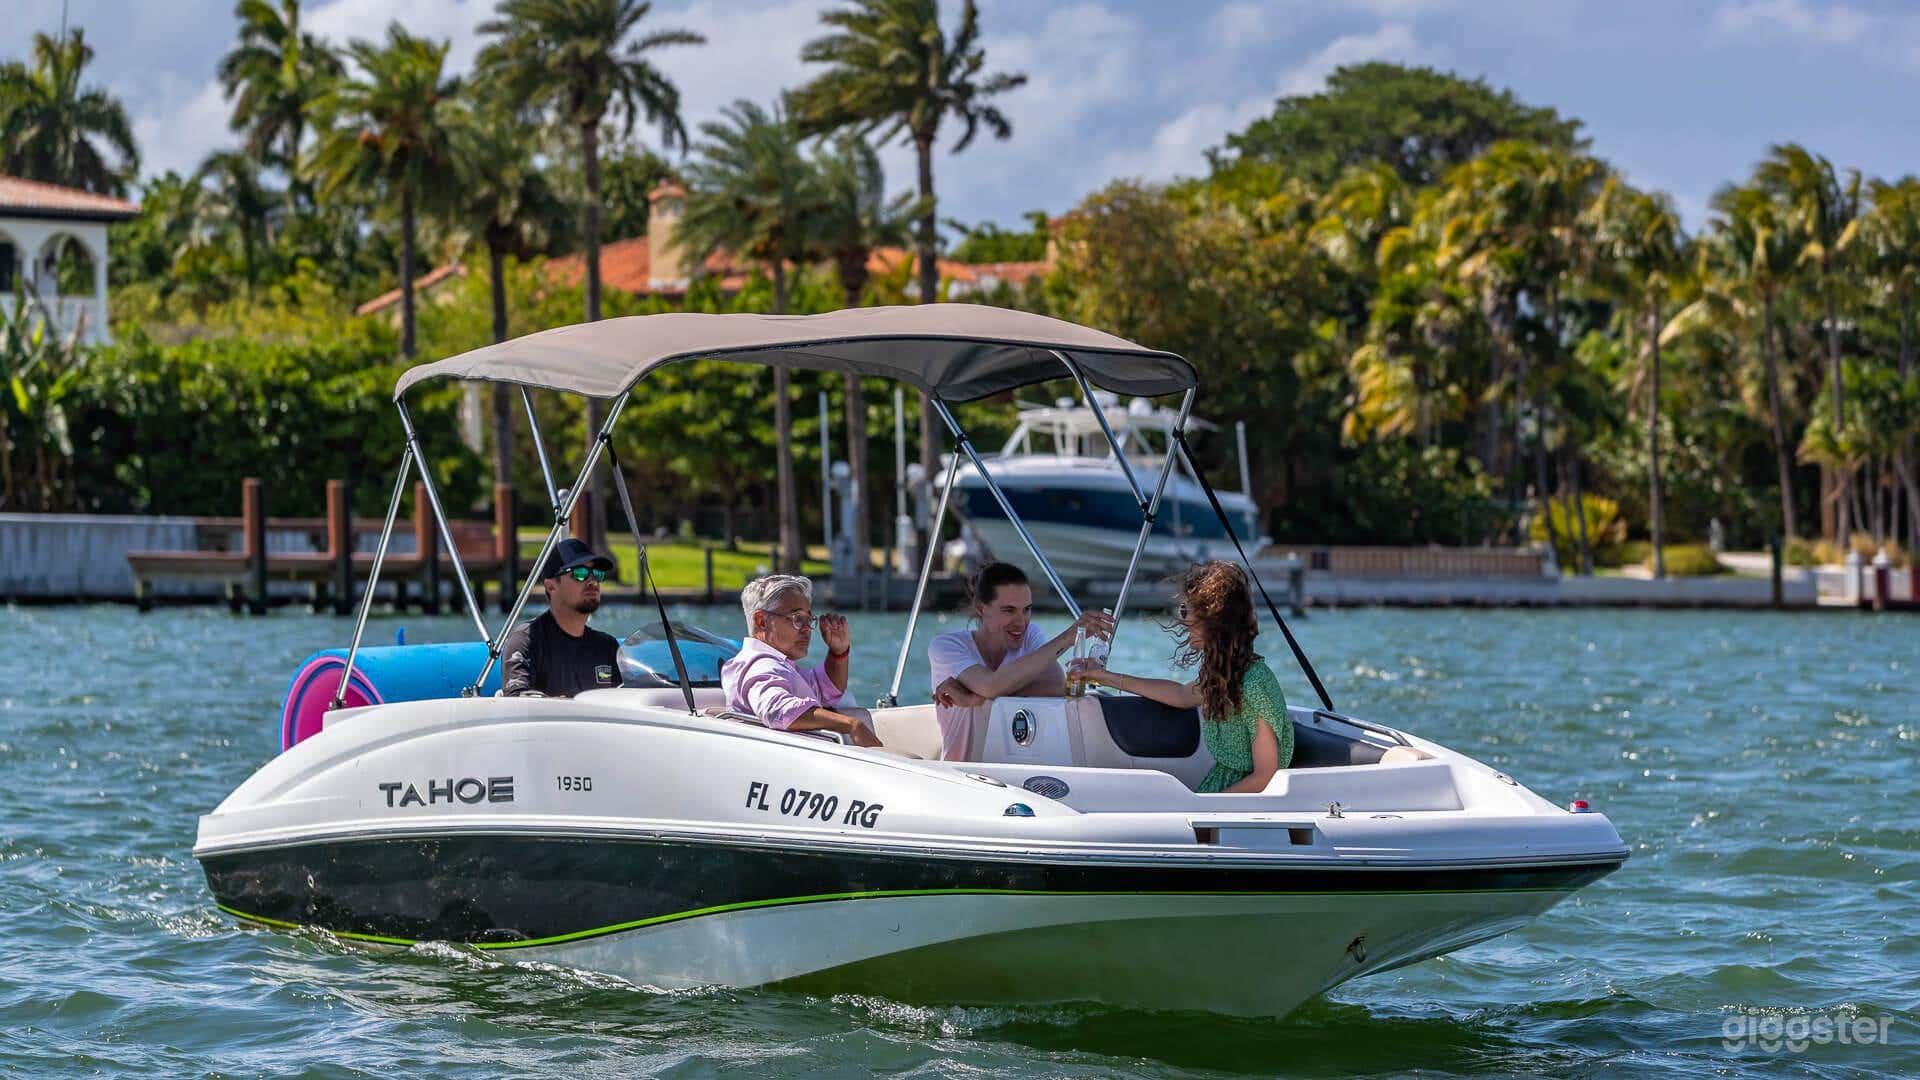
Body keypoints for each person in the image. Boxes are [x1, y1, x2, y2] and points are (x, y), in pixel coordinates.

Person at [1068, 560, 1293, 792]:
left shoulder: (1254, 684)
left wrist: (1202, 806)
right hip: (1222, 790)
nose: (1184, 621)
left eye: (1187, 611)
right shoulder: (1227, 673)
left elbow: (1266, 776)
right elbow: (1181, 695)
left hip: (1238, 802)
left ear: (1216, 621)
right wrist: (1102, 676)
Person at [928, 562, 1114, 761]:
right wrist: (1069, 636)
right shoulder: (947, 646)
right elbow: (991, 685)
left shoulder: (1030, 635)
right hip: (958, 772)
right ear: (982, 608)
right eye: (1009, 610)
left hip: (1010, 770)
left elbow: (1057, 686)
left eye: (1026, 610)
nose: (1021, 622)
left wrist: (977, 697)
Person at [722, 575, 881, 747]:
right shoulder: (759, 665)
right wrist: (851, 725)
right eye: (797, 618)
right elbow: (778, 710)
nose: (807, 629)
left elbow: (826, 691)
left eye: (809, 620)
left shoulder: (775, 664)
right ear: (762, 621)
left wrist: (839, 653)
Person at [501, 538, 623, 698]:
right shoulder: (527, 641)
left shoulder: (607, 647)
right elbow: (517, 698)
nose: (592, 581)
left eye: (597, 574)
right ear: (551, 586)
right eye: (580, 573)